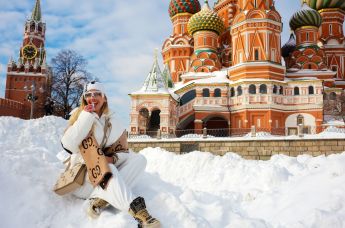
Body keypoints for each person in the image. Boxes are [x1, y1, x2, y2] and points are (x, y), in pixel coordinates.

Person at [61, 81, 160, 227]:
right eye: (88, 94)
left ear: (104, 97)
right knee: (110, 169)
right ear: (84, 98)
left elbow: (124, 151)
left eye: (97, 94)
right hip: (82, 180)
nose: (92, 97)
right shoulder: (79, 116)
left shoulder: (112, 121)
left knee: (139, 160)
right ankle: (140, 213)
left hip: (101, 180)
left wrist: (113, 158)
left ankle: (98, 200)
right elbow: (68, 146)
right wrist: (86, 117)